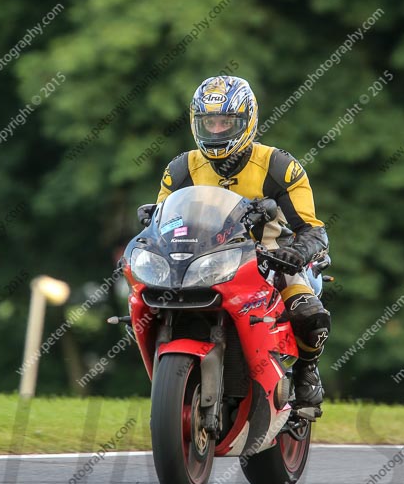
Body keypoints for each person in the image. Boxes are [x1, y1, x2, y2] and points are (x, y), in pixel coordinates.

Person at [141, 75, 331, 419]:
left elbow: (313, 230)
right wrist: (150, 223)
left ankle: (307, 371)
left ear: (248, 120)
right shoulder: (179, 169)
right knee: (144, 304)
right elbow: (162, 223)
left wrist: (297, 253)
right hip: (202, 260)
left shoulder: (280, 166)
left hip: (269, 259)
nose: (216, 130)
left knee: (308, 312)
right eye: (208, 122)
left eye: (226, 122)